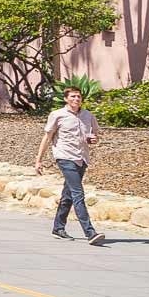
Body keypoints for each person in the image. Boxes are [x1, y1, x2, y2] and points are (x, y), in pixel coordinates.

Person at [34, 86, 107, 245]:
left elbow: (95, 135)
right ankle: (90, 232)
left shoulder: (88, 116)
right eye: (73, 97)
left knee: (68, 195)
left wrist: (93, 140)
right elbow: (47, 138)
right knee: (78, 193)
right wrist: (38, 160)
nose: (76, 99)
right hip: (64, 157)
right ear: (66, 99)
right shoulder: (57, 115)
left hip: (82, 158)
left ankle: (58, 227)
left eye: (79, 97)